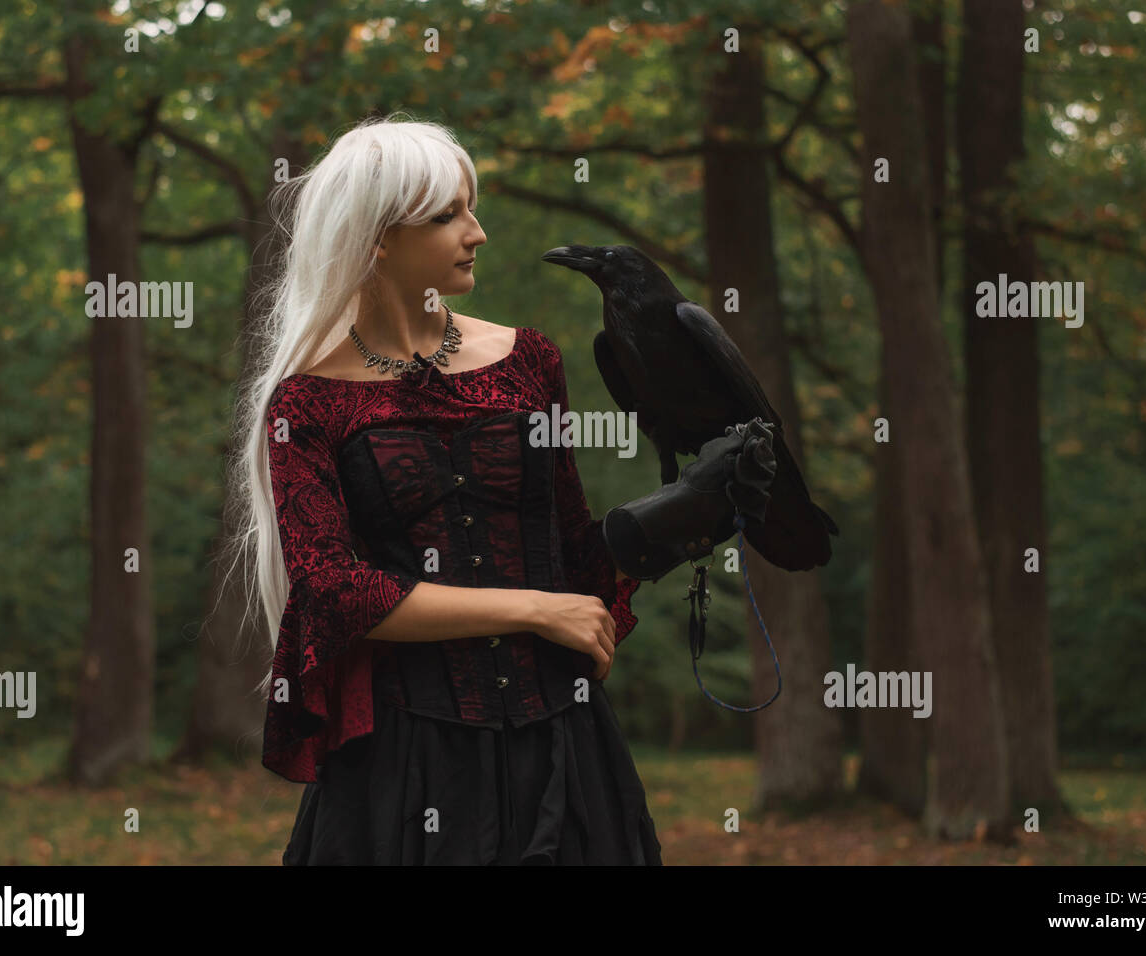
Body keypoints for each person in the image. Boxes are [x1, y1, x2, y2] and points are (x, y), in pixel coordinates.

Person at [223, 113, 761, 865]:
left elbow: (573, 552)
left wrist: (683, 517)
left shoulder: (528, 362)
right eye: (448, 216)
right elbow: (336, 591)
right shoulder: (308, 404)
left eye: (471, 208)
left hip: (562, 747)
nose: (476, 232)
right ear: (377, 238)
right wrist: (536, 611)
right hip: (403, 768)